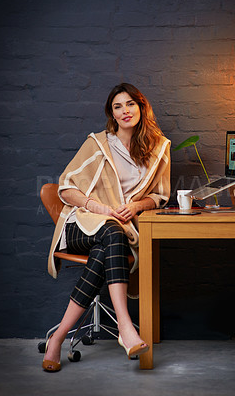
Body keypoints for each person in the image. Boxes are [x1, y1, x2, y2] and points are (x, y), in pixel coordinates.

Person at [42, 83, 171, 372]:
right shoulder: (98, 143)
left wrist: (137, 206)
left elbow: (160, 195)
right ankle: (126, 328)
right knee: (111, 230)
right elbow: (66, 188)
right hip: (80, 226)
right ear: (111, 114)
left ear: (141, 107)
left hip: (117, 232)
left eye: (130, 104)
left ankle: (57, 339)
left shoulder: (158, 147)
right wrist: (98, 208)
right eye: (117, 106)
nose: (125, 111)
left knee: (107, 244)